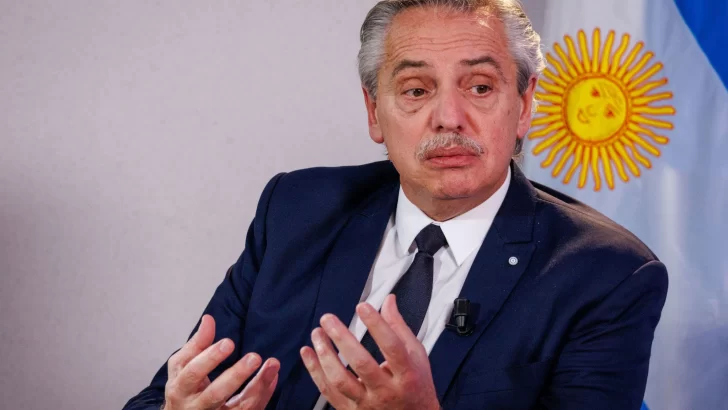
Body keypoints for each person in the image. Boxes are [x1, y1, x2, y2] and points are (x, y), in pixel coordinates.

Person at [124, 1, 668, 409]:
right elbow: (158, 396)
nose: (449, 117)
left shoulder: (605, 274)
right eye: (415, 90)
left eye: (480, 87)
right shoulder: (296, 210)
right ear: (373, 112)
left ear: (524, 107)